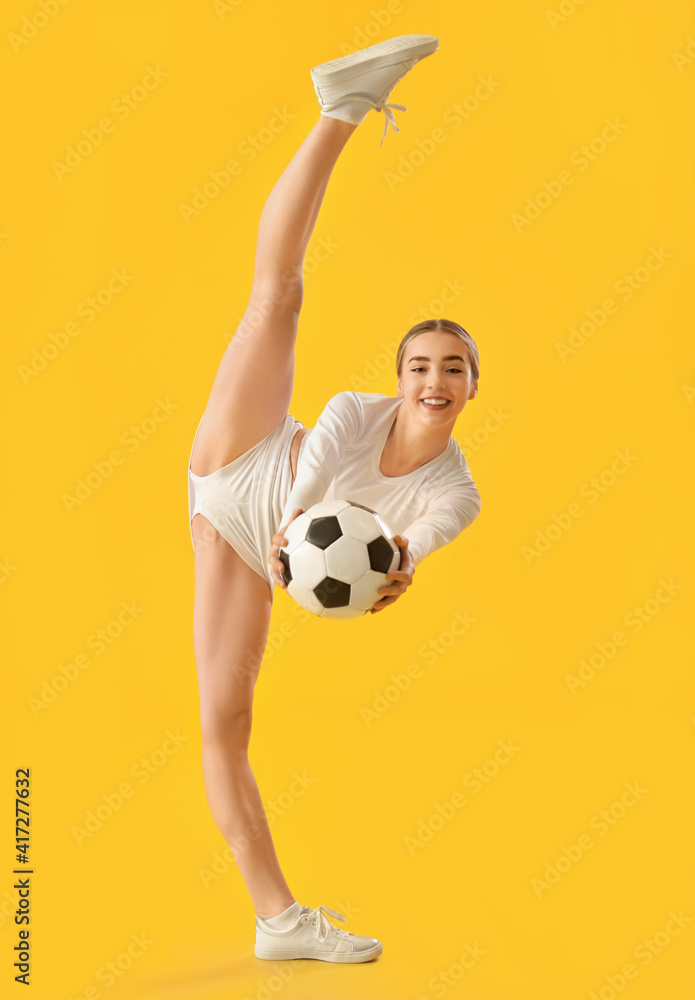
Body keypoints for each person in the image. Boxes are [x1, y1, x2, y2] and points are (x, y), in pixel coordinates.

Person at [187, 34, 481, 964]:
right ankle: (341, 108)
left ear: (471, 386)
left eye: (452, 369)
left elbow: (426, 534)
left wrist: (397, 564)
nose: (433, 381)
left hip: (234, 540)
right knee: (276, 299)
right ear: (400, 379)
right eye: (420, 366)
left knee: (223, 728)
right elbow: (311, 492)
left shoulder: (454, 485)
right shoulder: (359, 410)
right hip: (245, 462)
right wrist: (290, 534)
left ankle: (278, 923)